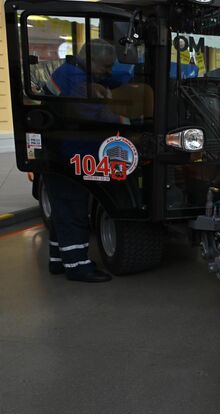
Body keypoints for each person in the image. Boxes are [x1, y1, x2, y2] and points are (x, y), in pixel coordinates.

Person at [44, 39, 125, 282]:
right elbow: (100, 117)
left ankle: (59, 260)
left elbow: (109, 79)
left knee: (62, 210)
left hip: (56, 155)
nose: (109, 72)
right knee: (73, 209)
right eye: (106, 66)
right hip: (66, 156)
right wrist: (124, 118)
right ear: (91, 61)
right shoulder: (76, 81)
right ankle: (78, 267)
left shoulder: (71, 71)